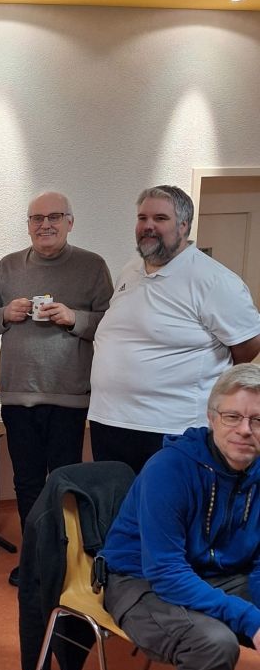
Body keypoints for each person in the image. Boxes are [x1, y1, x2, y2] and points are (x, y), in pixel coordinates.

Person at [99, 364, 260, 670]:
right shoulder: (170, 468)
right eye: (233, 417)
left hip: (218, 574)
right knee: (213, 643)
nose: (245, 430)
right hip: (139, 580)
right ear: (212, 418)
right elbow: (166, 572)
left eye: (257, 420)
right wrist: (250, 620)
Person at [89, 184, 260, 473]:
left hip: (172, 428)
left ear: (183, 225)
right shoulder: (130, 270)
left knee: (167, 501)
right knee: (116, 500)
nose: (148, 226)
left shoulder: (213, 280)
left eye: (160, 218)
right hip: (110, 420)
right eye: (142, 218)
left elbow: (247, 345)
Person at [0, 191, 113, 583]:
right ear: (27, 225)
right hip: (17, 393)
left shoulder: (92, 266)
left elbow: (112, 323)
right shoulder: (8, 266)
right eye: (37, 218)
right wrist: (4, 313)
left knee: (64, 481)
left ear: (70, 222)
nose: (45, 225)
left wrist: (74, 317)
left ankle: (63, 562)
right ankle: (35, 559)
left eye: (54, 217)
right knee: (25, 481)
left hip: (69, 395)